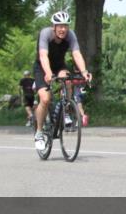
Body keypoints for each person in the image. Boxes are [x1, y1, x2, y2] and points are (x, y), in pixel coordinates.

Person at [32, 11, 92, 152]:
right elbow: (43, 55)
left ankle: (67, 110)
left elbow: (76, 54)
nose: (63, 29)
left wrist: (84, 72)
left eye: (65, 26)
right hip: (42, 67)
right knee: (45, 99)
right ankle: (39, 132)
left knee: (69, 80)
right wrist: (47, 73)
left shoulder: (70, 35)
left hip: (59, 66)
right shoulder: (45, 34)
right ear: (54, 26)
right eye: (60, 26)